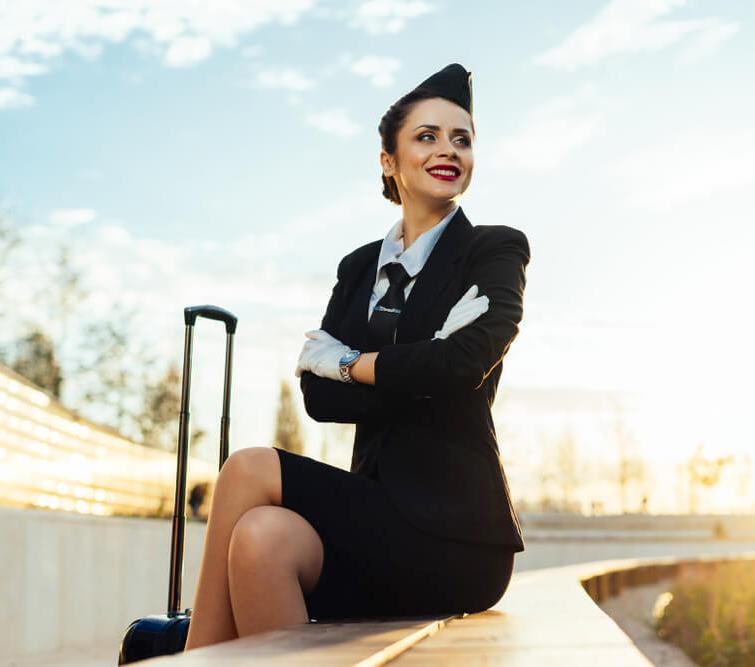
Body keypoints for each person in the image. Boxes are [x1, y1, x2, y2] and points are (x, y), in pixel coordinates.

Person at [184, 63, 531, 650]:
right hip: (373, 517)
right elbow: (319, 400)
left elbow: (462, 367)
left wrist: (348, 362)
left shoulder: (493, 250)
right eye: (427, 136)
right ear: (388, 161)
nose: (448, 150)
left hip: (457, 537)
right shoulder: (358, 267)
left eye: (462, 138)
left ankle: (193, 658)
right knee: (261, 538)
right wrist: (423, 357)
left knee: (247, 468)